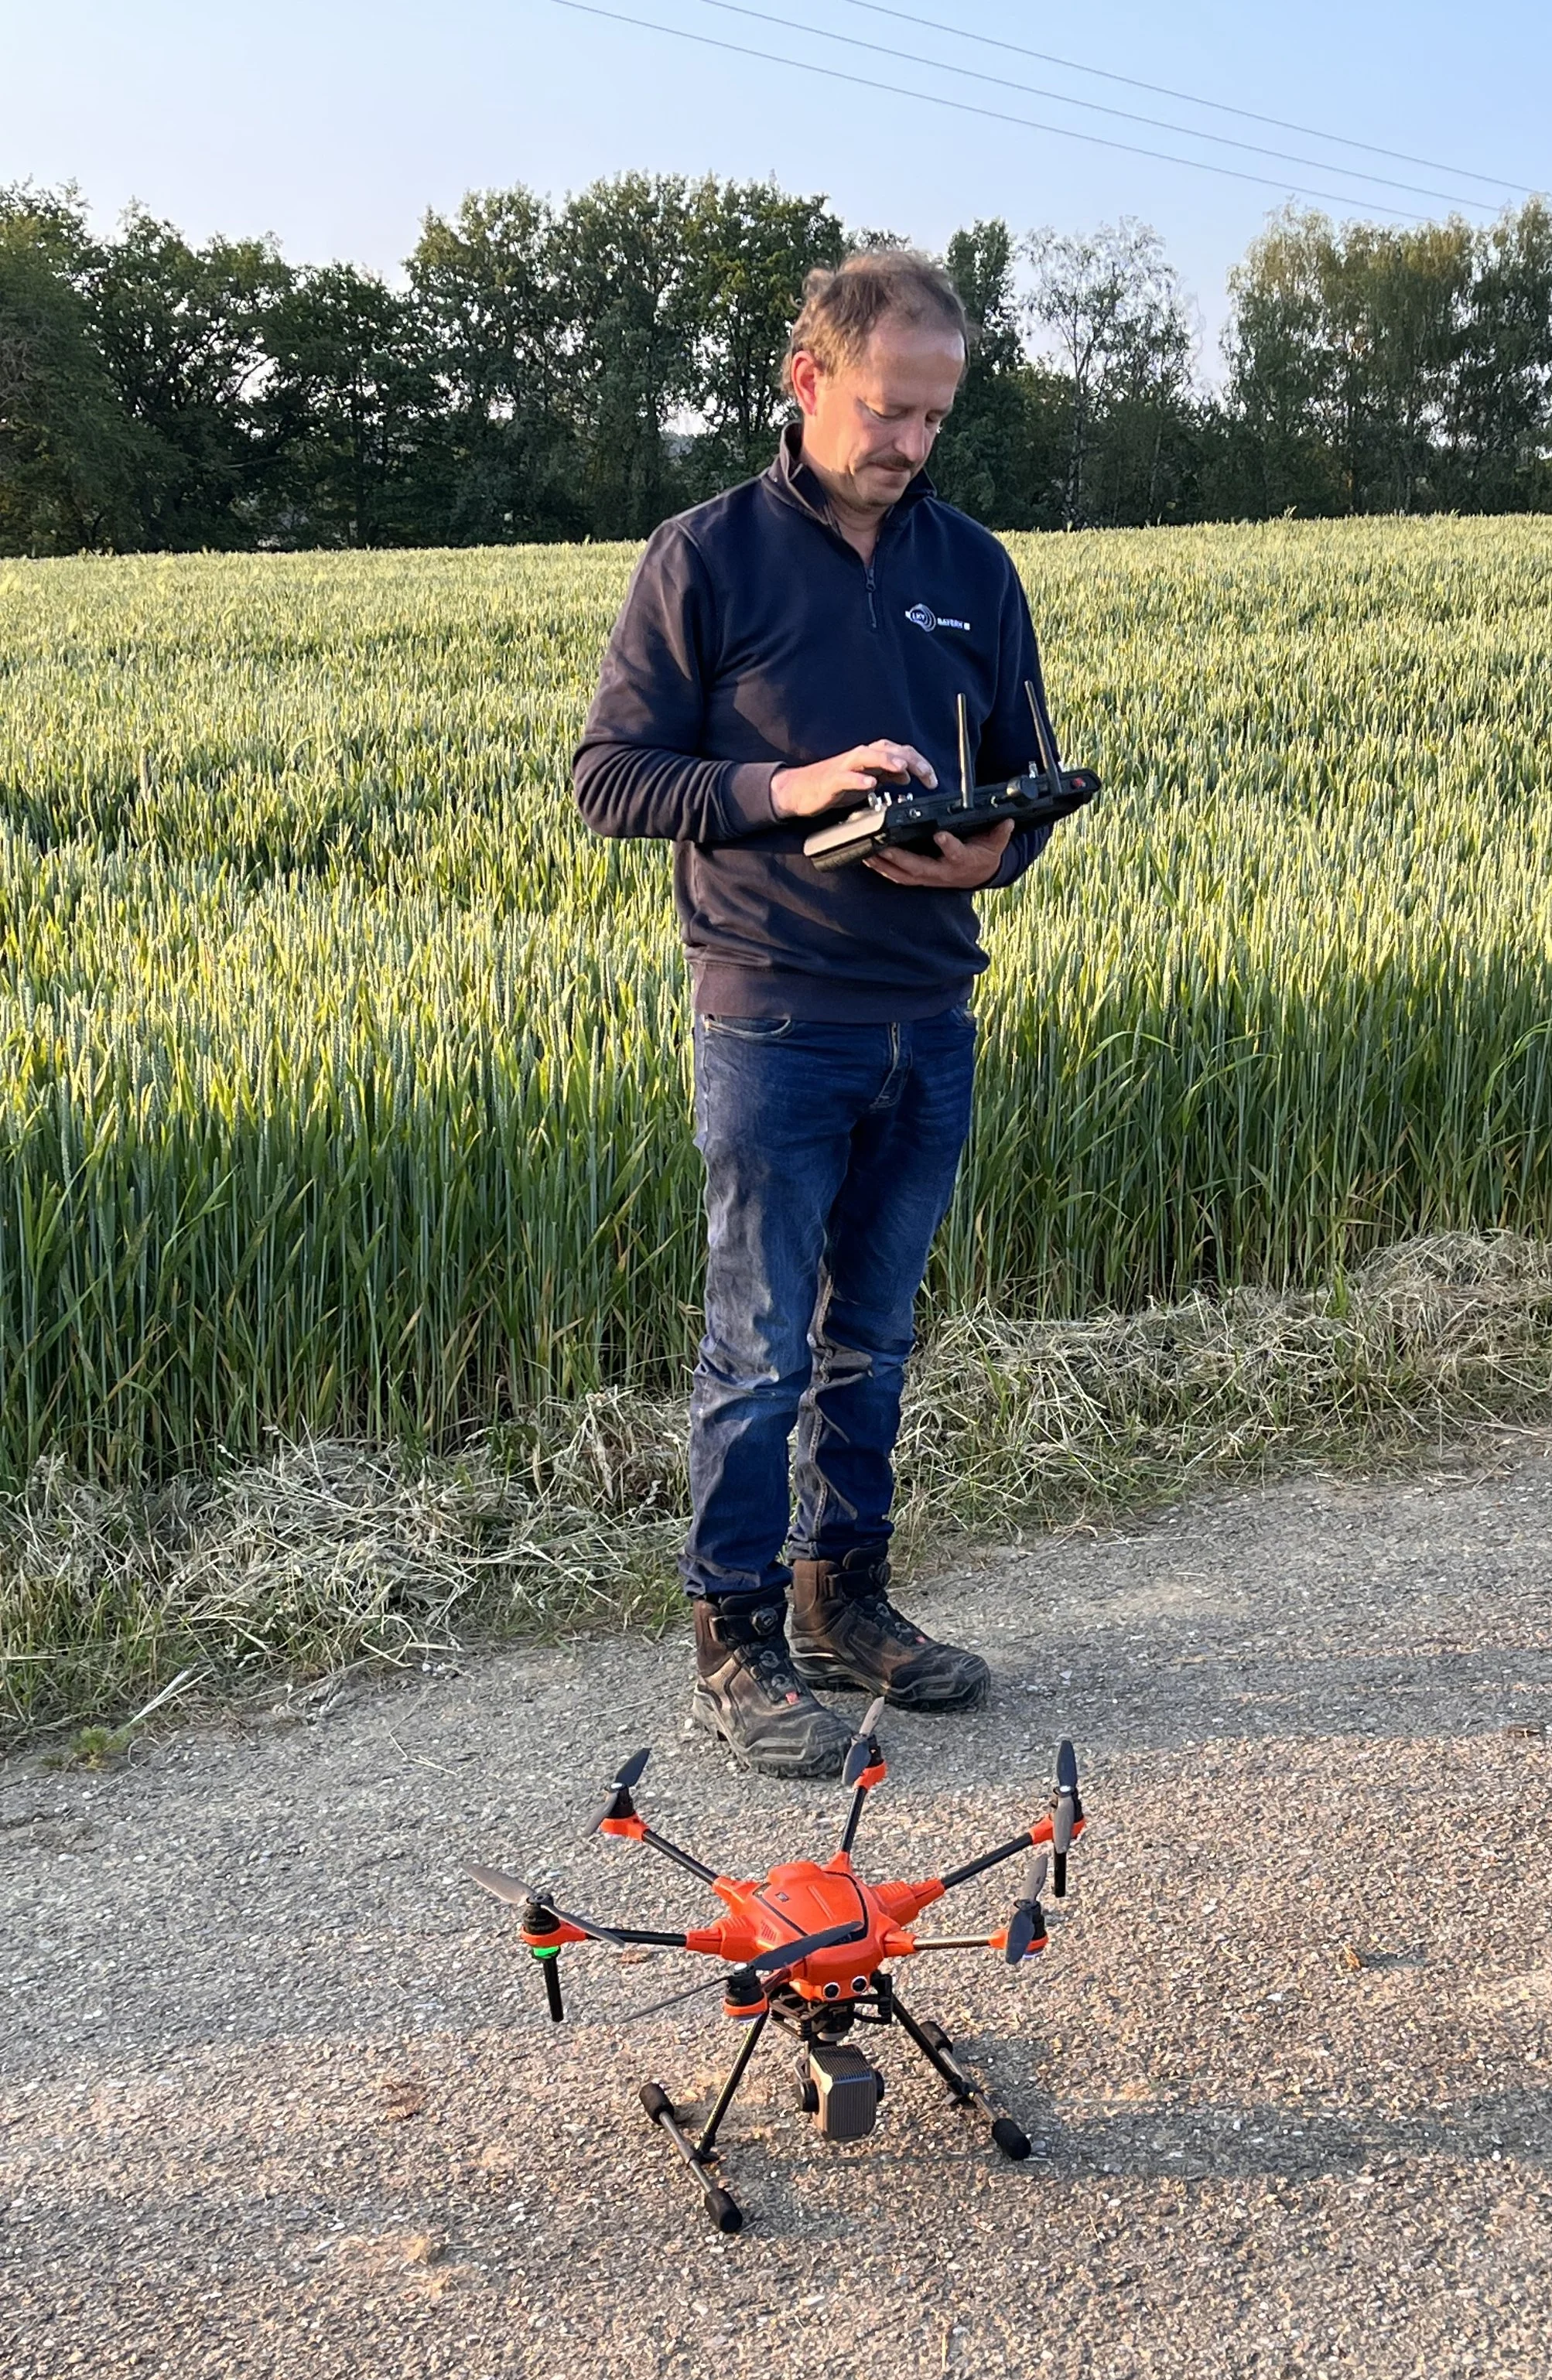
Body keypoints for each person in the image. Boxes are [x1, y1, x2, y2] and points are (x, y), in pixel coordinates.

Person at [573, 249, 1068, 1780]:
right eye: (887, 408)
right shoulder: (705, 557)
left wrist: (995, 849)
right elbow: (609, 778)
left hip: (932, 1012)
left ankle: (842, 1600)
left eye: (935, 417)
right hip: (775, 1018)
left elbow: (1026, 772)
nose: (911, 441)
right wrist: (791, 789)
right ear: (808, 381)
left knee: (877, 1337)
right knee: (760, 1346)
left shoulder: (972, 569)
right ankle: (734, 1642)